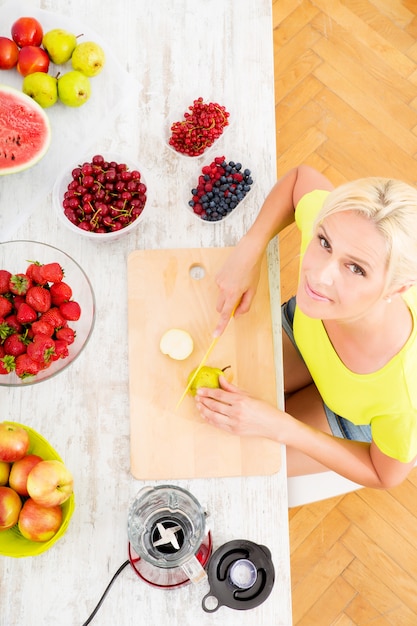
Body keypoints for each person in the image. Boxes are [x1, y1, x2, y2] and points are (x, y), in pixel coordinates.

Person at [194, 165, 417, 489]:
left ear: (397, 289)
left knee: (228, 457)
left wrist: (280, 426)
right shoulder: (346, 232)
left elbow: (384, 474)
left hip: (354, 415)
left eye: (355, 269)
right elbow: (301, 179)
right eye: (324, 242)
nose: (318, 276)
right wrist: (250, 250)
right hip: (305, 337)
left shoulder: (404, 394)